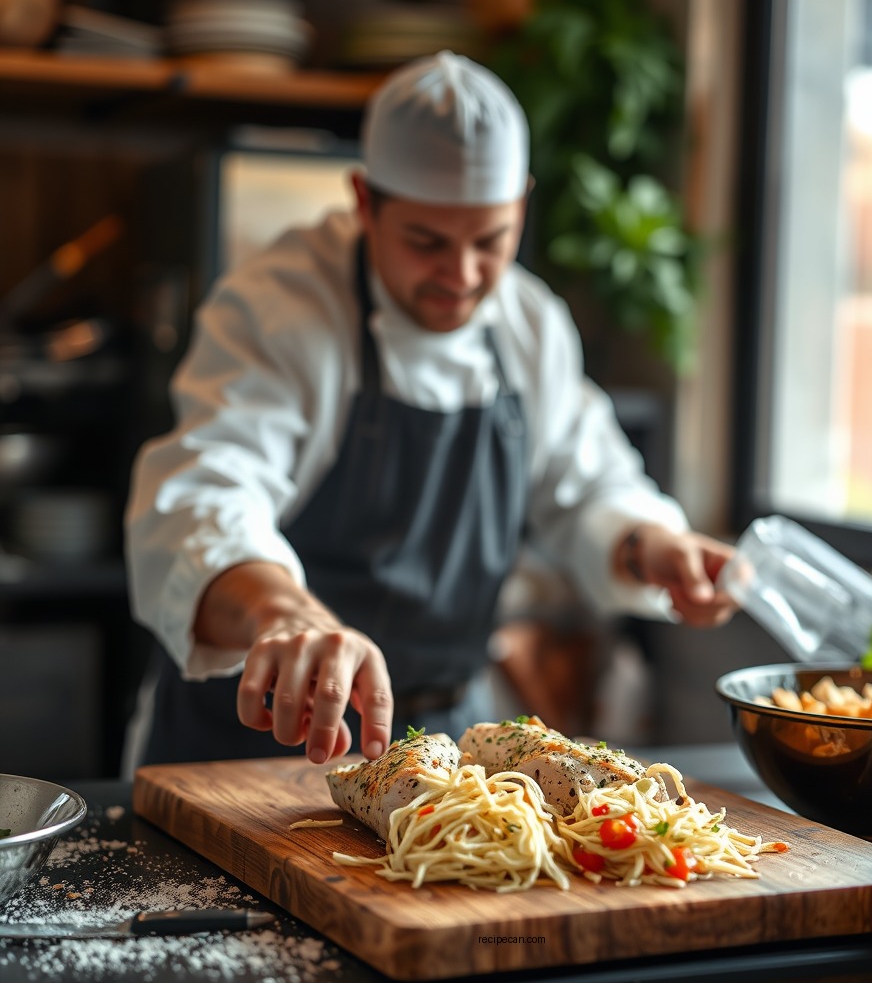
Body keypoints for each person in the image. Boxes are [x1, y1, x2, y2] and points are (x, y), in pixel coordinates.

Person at [123, 50, 737, 771]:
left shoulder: (529, 323)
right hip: (260, 737)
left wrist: (648, 543)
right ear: (363, 199)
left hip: (443, 743)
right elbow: (204, 490)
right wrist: (284, 614)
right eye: (426, 242)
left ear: (522, 203)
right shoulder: (280, 306)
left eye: (491, 240)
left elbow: (588, 480)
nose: (463, 275)